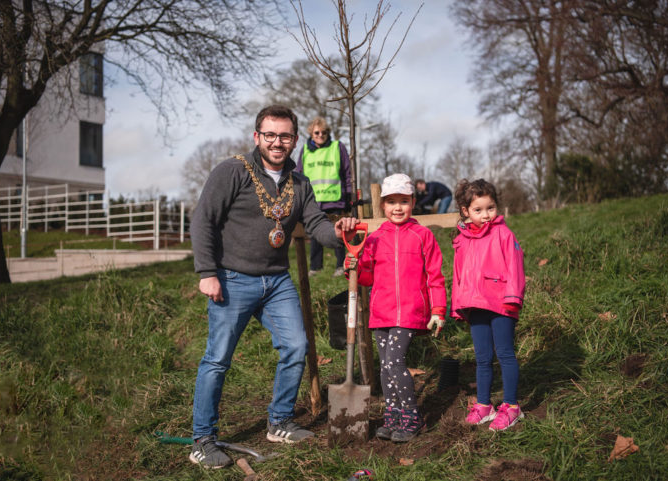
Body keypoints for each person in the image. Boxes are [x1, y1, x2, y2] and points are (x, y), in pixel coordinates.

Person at [189, 105, 359, 469]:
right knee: (217, 360)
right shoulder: (232, 171)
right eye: (270, 135)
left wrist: (340, 233)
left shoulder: (300, 184)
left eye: (284, 136)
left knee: (297, 346)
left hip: (277, 281)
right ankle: (202, 439)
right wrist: (207, 272)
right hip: (232, 278)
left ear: (294, 141)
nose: (277, 142)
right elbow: (203, 219)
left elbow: (316, 225)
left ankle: (279, 422)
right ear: (257, 137)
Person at [344, 173, 447, 443]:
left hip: (410, 312)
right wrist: (351, 267)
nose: (398, 207)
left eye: (404, 201)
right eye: (391, 202)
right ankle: (393, 415)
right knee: (385, 368)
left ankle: (412, 416)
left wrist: (438, 310)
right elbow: (366, 277)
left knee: (394, 361)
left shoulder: (423, 235)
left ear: (413, 202)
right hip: (381, 313)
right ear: (383, 205)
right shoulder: (376, 238)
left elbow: (435, 276)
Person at [450, 178, 526, 431]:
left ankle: (512, 406)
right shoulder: (461, 240)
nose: (486, 215)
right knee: (482, 357)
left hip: (502, 302)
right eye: (478, 210)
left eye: (490, 208)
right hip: (475, 304)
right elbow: (458, 274)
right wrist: (458, 305)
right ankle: (484, 405)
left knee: (504, 353)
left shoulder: (503, 234)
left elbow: (515, 267)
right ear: (465, 211)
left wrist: (513, 298)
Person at [295, 117, 353, 277]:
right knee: (314, 234)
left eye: (324, 132)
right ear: (311, 133)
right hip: (312, 200)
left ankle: (341, 266)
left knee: (338, 232)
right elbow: (299, 174)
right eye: (317, 132)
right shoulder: (305, 150)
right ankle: (315, 267)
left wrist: (348, 195)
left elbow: (347, 172)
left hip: (334, 198)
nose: (321, 135)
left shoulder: (337, 147)